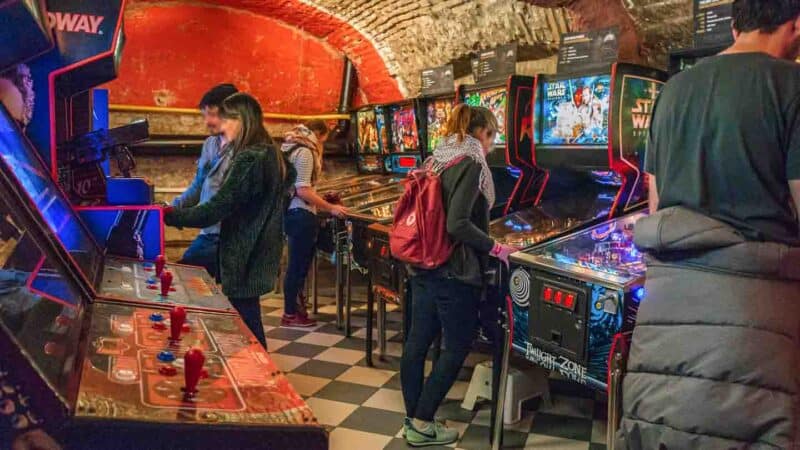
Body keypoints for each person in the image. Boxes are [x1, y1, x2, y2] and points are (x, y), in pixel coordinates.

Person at [617, 1, 800, 448]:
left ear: (736, 25)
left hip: (663, 315)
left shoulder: (674, 90)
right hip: (756, 326)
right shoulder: (792, 85)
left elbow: (658, 207)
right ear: (796, 24)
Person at [400, 104, 518, 447]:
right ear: (482, 132)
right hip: (454, 269)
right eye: (493, 135)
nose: (492, 144)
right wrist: (496, 248)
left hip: (424, 263)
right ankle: (422, 422)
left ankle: (415, 419)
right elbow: (458, 223)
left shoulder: (437, 157)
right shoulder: (470, 162)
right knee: (456, 345)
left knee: (417, 342)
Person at [165, 93, 293, 349]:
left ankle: (259, 380)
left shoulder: (249, 158)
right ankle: (256, 374)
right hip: (258, 248)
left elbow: (217, 208)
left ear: (241, 120)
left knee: (246, 321)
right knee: (247, 315)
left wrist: (168, 214)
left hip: (242, 250)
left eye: (225, 121)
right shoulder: (272, 154)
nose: (220, 128)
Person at [281, 120, 348, 327]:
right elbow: (303, 190)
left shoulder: (290, 145)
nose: (322, 145)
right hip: (300, 213)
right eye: (324, 140)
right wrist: (331, 208)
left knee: (296, 266)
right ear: (318, 134)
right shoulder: (306, 151)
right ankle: (292, 314)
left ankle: (292, 312)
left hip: (291, 212)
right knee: (298, 267)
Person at [172, 83, 239, 280]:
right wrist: (171, 208)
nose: (207, 121)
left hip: (232, 237)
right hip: (210, 232)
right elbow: (199, 185)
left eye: (213, 114)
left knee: (185, 277)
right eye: (205, 115)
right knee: (191, 284)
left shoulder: (247, 149)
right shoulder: (211, 144)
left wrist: (182, 217)